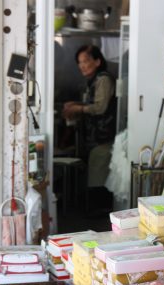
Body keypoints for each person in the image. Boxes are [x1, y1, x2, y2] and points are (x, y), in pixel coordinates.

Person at [62, 45, 116, 214]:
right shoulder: (93, 80)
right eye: (80, 62)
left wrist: (79, 109)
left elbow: (100, 107)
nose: (82, 66)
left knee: (98, 172)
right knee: (94, 170)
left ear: (98, 61)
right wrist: (77, 105)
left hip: (105, 138)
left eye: (86, 61)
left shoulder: (103, 79)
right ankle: (94, 210)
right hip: (97, 137)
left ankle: (99, 213)